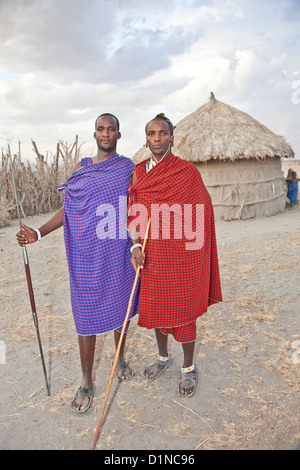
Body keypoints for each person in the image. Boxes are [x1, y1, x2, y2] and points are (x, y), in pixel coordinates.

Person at [16, 113, 139, 412]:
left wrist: (137, 243)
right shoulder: (81, 169)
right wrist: (39, 233)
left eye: (111, 130)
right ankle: (87, 381)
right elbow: (68, 208)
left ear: (119, 136)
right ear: (95, 134)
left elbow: (137, 207)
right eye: (101, 129)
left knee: (118, 308)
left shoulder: (128, 168)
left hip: (117, 251)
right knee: (85, 316)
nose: (106, 134)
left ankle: (120, 357)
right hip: (85, 255)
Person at [128, 113, 222, 398]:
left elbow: (203, 208)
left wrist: (178, 227)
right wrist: (134, 245)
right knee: (156, 307)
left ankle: (188, 367)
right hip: (152, 253)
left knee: (183, 311)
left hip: (182, 255)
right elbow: (133, 209)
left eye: (163, 133)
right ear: (146, 138)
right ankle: (162, 358)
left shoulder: (187, 171)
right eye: (152, 134)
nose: (157, 139)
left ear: (172, 137)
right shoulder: (138, 172)